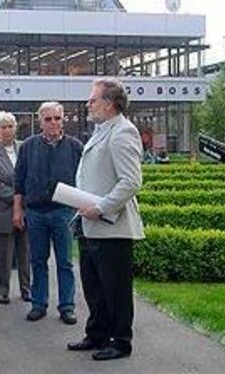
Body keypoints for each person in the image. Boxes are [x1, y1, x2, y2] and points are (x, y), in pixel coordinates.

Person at [67, 78, 145, 361]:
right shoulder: (103, 130)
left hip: (112, 227)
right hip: (91, 224)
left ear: (110, 104)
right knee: (94, 287)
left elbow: (131, 181)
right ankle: (97, 333)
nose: (88, 104)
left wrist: (100, 207)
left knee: (115, 290)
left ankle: (120, 341)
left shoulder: (123, 131)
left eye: (93, 99)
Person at [13, 101, 83, 325]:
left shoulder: (75, 147)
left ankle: (67, 306)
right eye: (48, 119)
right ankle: (38, 304)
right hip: (35, 212)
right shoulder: (28, 146)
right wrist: (17, 210)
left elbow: (83, 180)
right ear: (40, 121)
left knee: (65, 262)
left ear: (63, 120)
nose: (53, 123)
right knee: (38, 261)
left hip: (64, 212)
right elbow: (19, 181)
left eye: (57, 118)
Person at [0, 111, 31, 305]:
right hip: (1, 210)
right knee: (3, 255)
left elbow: (31, 175)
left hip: (26, 211)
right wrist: (17, 196)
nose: (7, 130)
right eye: (2, 127)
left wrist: (24, 198)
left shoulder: (25, 148)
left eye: (10, 126)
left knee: (25, 253)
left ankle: (26, 289)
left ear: (15, 128)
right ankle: (3, 290)